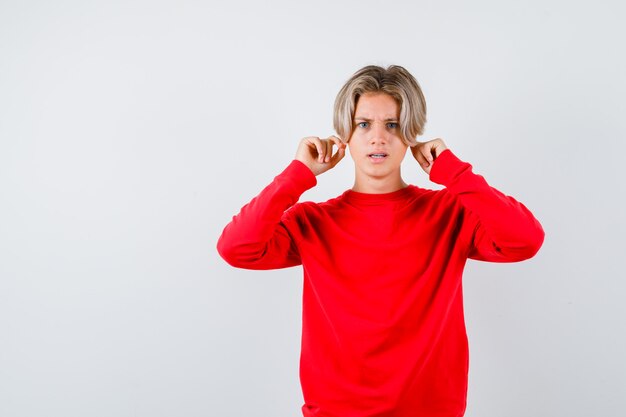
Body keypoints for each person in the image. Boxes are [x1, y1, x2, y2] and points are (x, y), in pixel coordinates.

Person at [216, 65, 545, 417]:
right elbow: (237, 248)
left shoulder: (450, 213)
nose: (378, 138)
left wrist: (454, 172)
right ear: (344, 135)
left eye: (392, 125)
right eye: (363, 124)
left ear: (410, 134)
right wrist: (297, 175)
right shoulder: (313, 222)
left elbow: (524, 240)